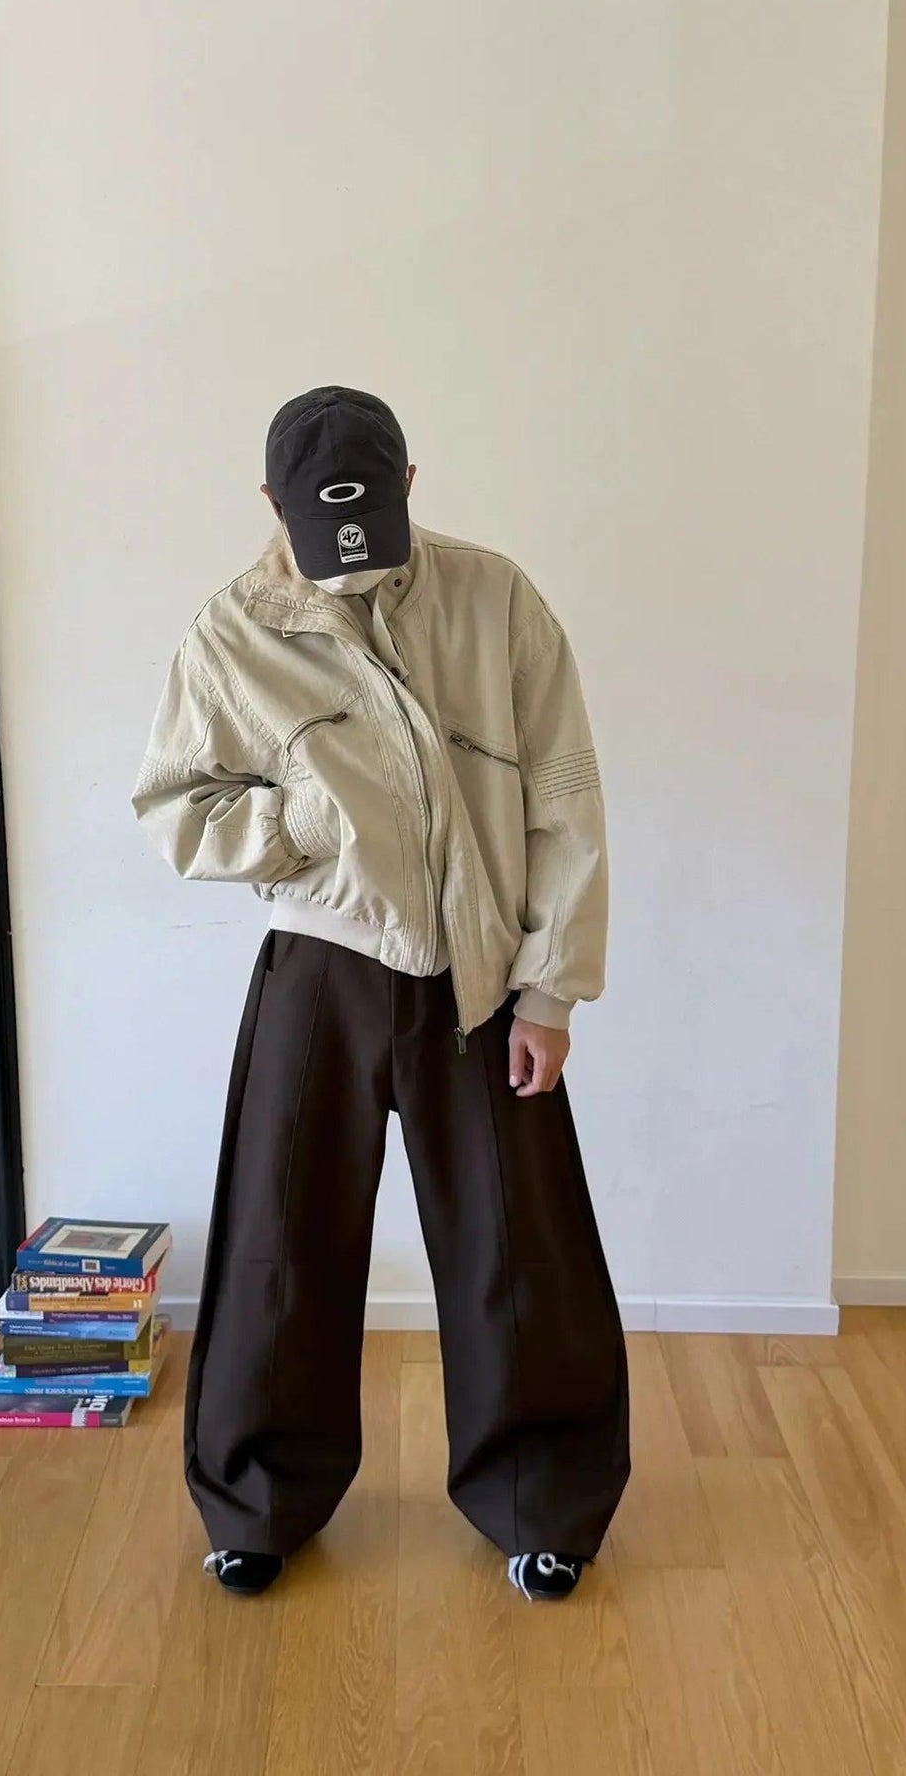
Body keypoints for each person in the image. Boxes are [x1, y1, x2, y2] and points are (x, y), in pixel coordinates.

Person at [131, 386, 629, 1602]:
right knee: (279, 1246)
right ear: (271, 504)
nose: (352, 555)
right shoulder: (232, 631)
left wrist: (550, 993)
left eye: (374, 514)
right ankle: (258, 1502)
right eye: (318, 525)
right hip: (321, 967)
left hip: (482, 973)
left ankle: (541, 1500)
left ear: (409, 483)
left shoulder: (494, 598)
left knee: (518, 1246)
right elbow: (178, 812)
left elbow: (564, 797)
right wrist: (307, 816)